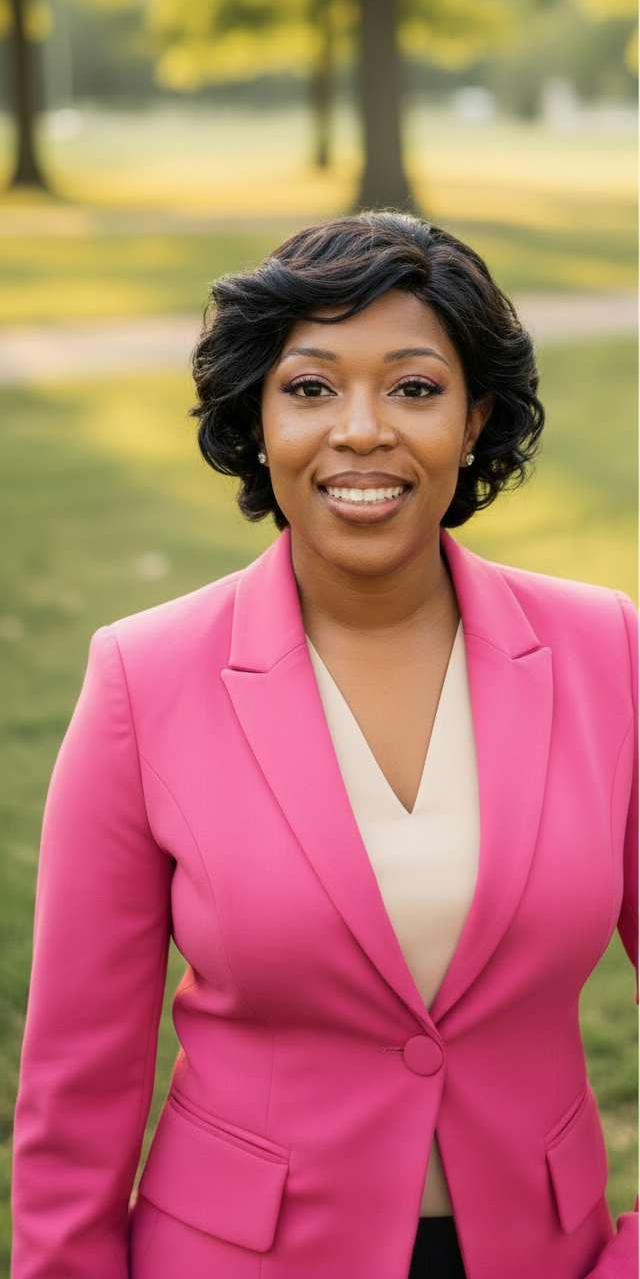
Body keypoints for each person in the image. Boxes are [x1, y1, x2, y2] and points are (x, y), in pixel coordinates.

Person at [12, 213, 637, 1279]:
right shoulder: (142, 679)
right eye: (309, 388)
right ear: (255, 416)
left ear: (477, 416)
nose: (360, 431)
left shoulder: (607, 652)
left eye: (414, 387)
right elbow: (79, 1085)